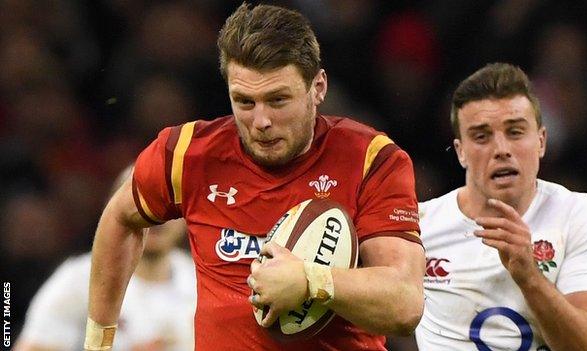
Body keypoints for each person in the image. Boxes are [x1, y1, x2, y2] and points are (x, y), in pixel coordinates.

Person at [85, 3, 425, 351]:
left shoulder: (371, 159)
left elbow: (404, 303)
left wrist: (313, 281)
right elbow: (120, 218)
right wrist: (98, 343)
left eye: (278, 100)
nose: (261, 121)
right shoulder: (187, 153)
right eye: (245, 102)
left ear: (318, 87)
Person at [415, 63, 587, 350]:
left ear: (541, 141)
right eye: (481, 136)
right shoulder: (420, 226)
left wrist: (529, 277)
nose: (501, 149)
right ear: (461, 152)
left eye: (515, 132)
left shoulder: (575, 214)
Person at [14, 167, 196, 351]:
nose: (157, 216)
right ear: (114, 210)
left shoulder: (203, 280)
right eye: (143, 203)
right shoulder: (79, 279)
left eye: (168, 204)